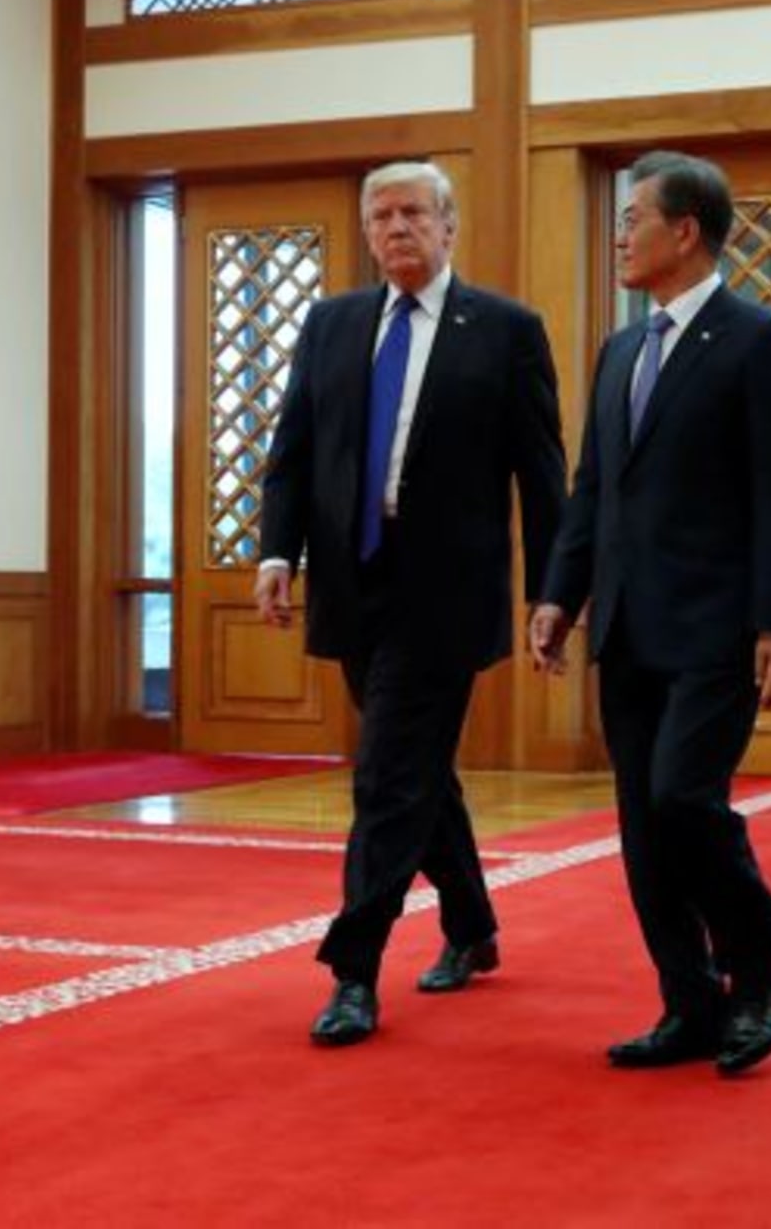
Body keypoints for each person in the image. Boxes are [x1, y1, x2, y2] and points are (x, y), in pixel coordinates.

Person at [255, 160, 566, 1046]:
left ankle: (353, 971)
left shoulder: (505, 330)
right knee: (417, 769)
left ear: (448, 225)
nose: (397, 228)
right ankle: (471, 924)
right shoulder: (332, 323)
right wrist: (278, 551)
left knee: (386, 773)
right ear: (367, 230)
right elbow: (295, 449)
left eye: (414, 213)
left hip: (447, 592)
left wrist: (554, 593)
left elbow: (541, 473)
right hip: (353, 580)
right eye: (382, 215)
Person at [530, 151, 771, 1077]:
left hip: (716, 628)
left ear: (685, 231)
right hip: (626, 626)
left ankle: (761, 972)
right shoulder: (621, 351)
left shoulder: (758, 340)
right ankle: (689, 1002)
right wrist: (559, 595)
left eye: (633, 218)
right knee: (643, 829)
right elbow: (593, 490)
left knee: (684, 800)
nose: (620, 236)